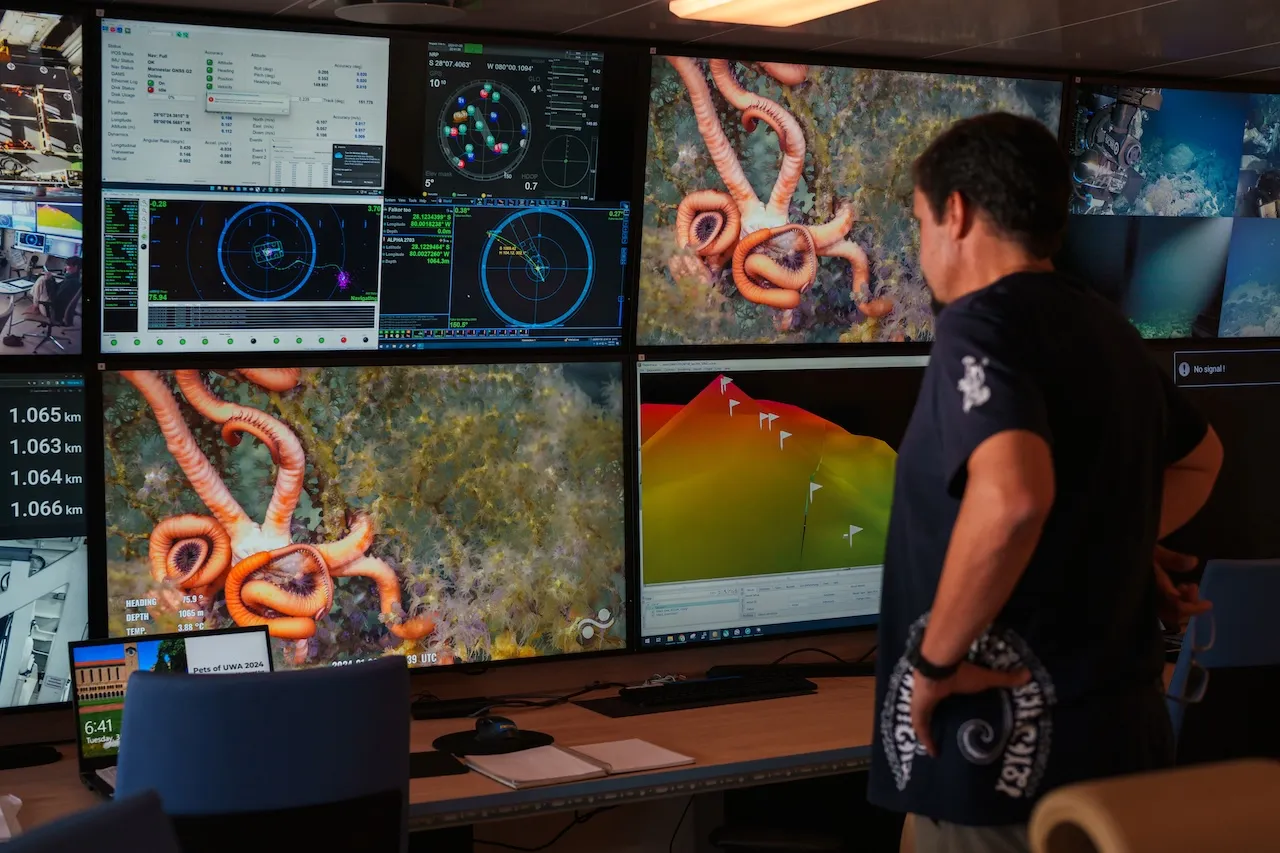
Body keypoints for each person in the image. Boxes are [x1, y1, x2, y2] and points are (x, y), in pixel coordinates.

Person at [868, 113, 1223, 853]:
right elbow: (1203, 457)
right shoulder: (1107, 328)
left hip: (1000, 767)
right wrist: (1114, 544)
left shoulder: (980, 325)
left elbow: (1014, 497)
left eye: (920, 219)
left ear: (955, 211)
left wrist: (934, 660)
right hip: (1117, 756)